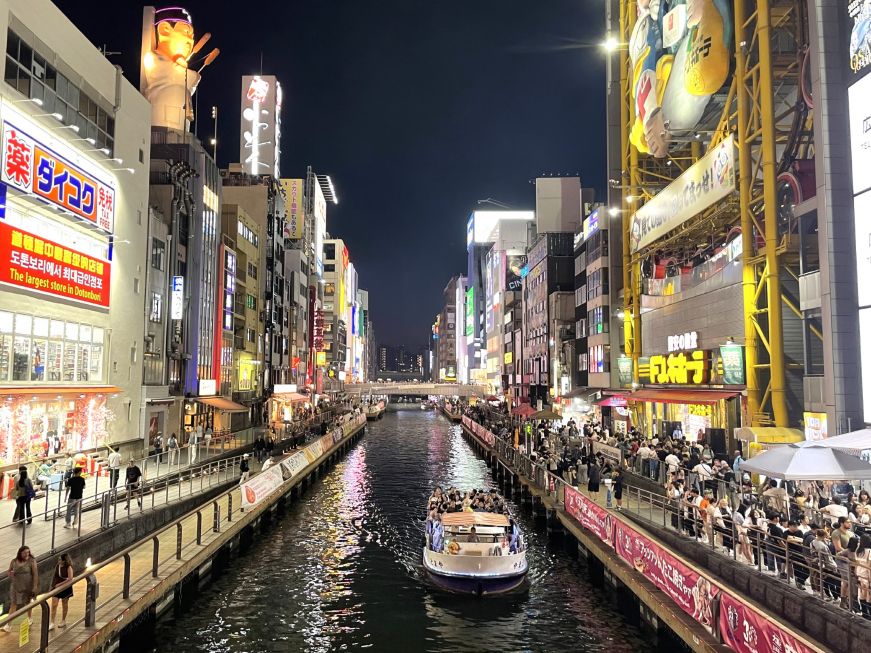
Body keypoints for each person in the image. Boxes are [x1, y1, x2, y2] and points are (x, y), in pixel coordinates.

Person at [3, 546, 38, 632]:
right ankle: (8, 624)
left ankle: (30, 618)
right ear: (20, 553)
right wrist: (10, 573)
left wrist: (34, 587)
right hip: (16, 586)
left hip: (27, 585)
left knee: (27, 603)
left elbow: (35, 574)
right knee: (13, 604)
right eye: (25, 552)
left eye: (28, 552)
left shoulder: (31, 561)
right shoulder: (14, 561)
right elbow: (9, 571)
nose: (27, 554)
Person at [48, 554, 74, 630]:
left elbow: (70, 578)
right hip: (57, 587)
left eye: (60, 560)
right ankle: (52, 622)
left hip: (66, 587)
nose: (58, 561)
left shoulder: (68, 567)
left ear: (64, 560)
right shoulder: (58, 566)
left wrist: (60, 584)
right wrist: (52, 586)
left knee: (64, 603)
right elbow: (54, 576)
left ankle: (63, 620)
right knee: (54, 604)